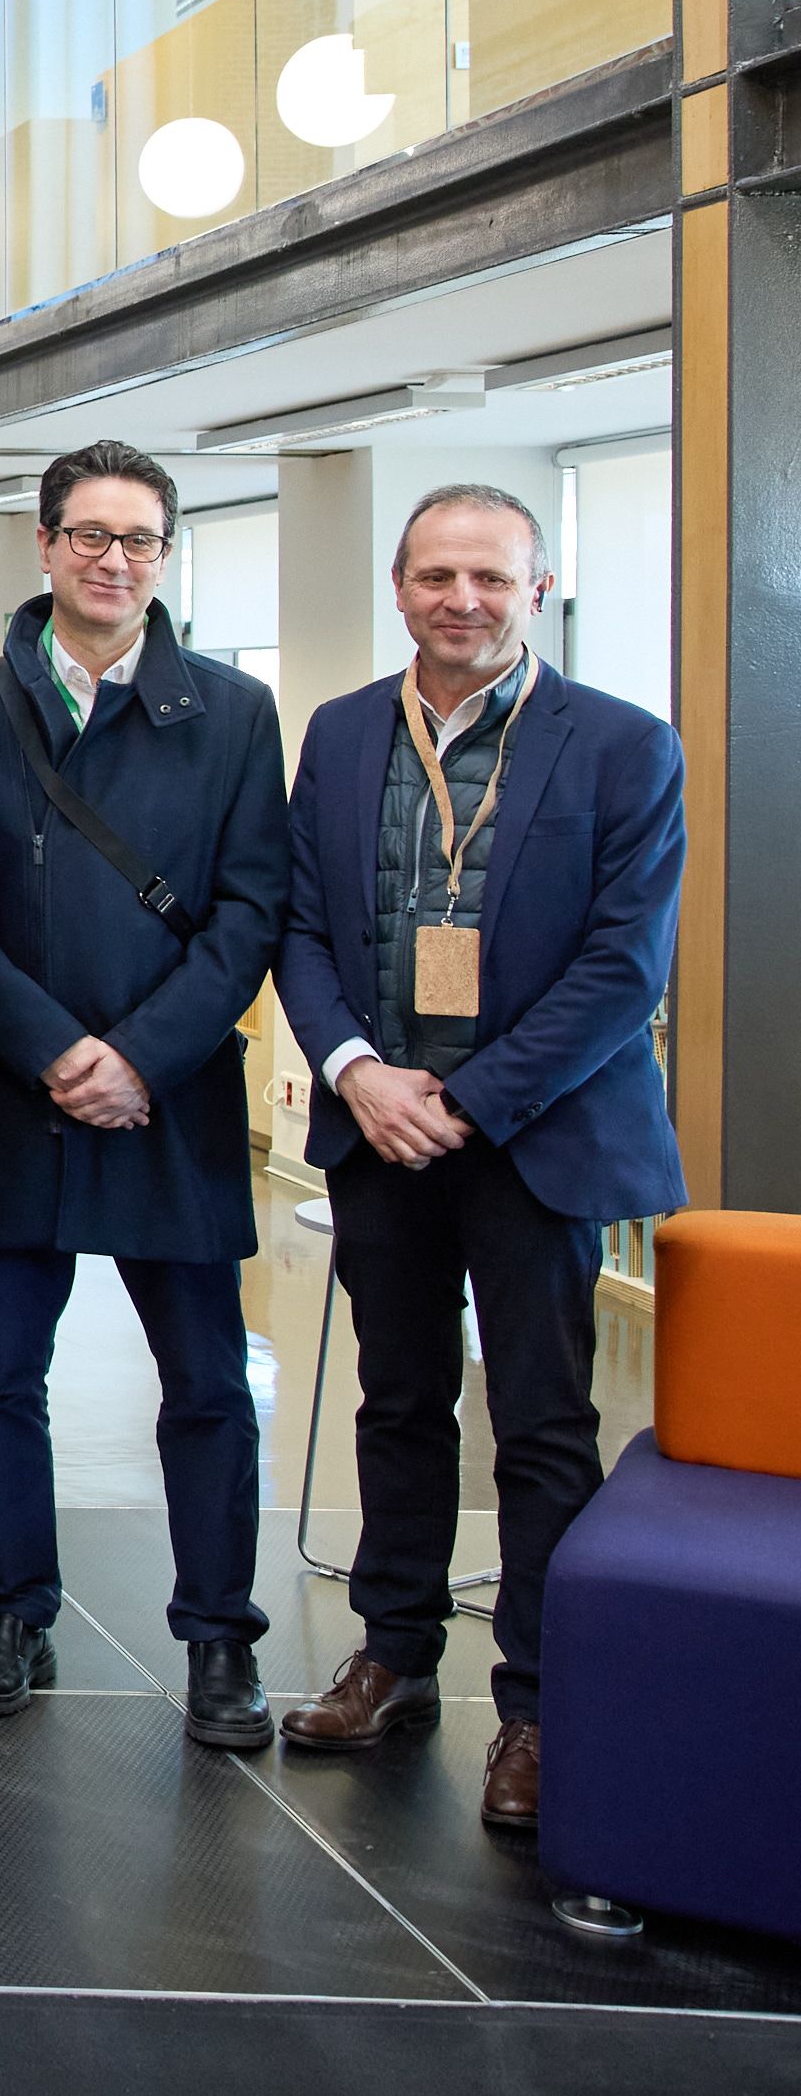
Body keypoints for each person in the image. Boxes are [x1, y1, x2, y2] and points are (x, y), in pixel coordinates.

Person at [273, 484, 683, 1836]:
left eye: (492, 578)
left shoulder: (624, 745)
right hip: (379, 1122)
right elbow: (301, 926)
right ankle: (392, 1656)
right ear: (399, 586)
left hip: (534, 1137)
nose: (463, 600)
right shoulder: (342, 733)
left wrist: (469, 1098)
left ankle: (541, 1706)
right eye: (437, 575)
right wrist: (356, 1071)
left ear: (538, 589)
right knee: (397, 1401)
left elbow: (624, 966)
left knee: (544, 1422)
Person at [0, 441, 288, 1750]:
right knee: (0, 1375)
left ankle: (220, 1636)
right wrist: (50, 1047)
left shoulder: (233, 712)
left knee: (205, 1381)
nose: (112, 559)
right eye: (88, 533)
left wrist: (139, 1054)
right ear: (44, 545)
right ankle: (12, 1611)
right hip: (12, 1084)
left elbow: (252, 910)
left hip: (171, 1096)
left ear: (164, 554)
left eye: (138, 538)